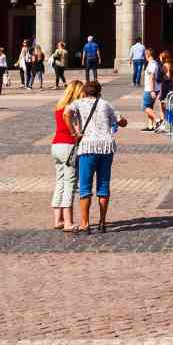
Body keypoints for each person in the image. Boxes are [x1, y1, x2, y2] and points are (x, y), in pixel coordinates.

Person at [65, 80, 126, 233]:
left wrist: (73, 132)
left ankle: (85, 223)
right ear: (99, 92)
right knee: (103, 185)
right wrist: (122, 121)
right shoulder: (106, 104)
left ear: (85, 92)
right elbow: (121, 121)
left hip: (87, 147)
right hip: (106, 148)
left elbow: (66, 113)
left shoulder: (78, 103)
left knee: (85, 186)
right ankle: (102, 222)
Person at [50, 80, 84, 232]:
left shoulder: (59, 107)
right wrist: (77, 133)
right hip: (68, 146)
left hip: (56, 145)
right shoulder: (72, 109)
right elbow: (76, 129)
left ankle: (58, 219)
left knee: (60, 182)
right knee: (70, 184)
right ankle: (68, 221)